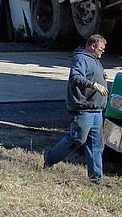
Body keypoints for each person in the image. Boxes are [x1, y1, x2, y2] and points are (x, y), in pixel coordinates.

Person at [44, 34, 109, 184]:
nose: (103, 51)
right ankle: (50, 158)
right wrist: (93, 85)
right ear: (93, 46)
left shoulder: (95, 61)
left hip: (96, 111)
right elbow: (74, 77)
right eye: (101, 48)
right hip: (83, 110)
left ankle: (96, 179)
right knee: (76, 139)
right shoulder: (81, 59)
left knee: (96, 146)